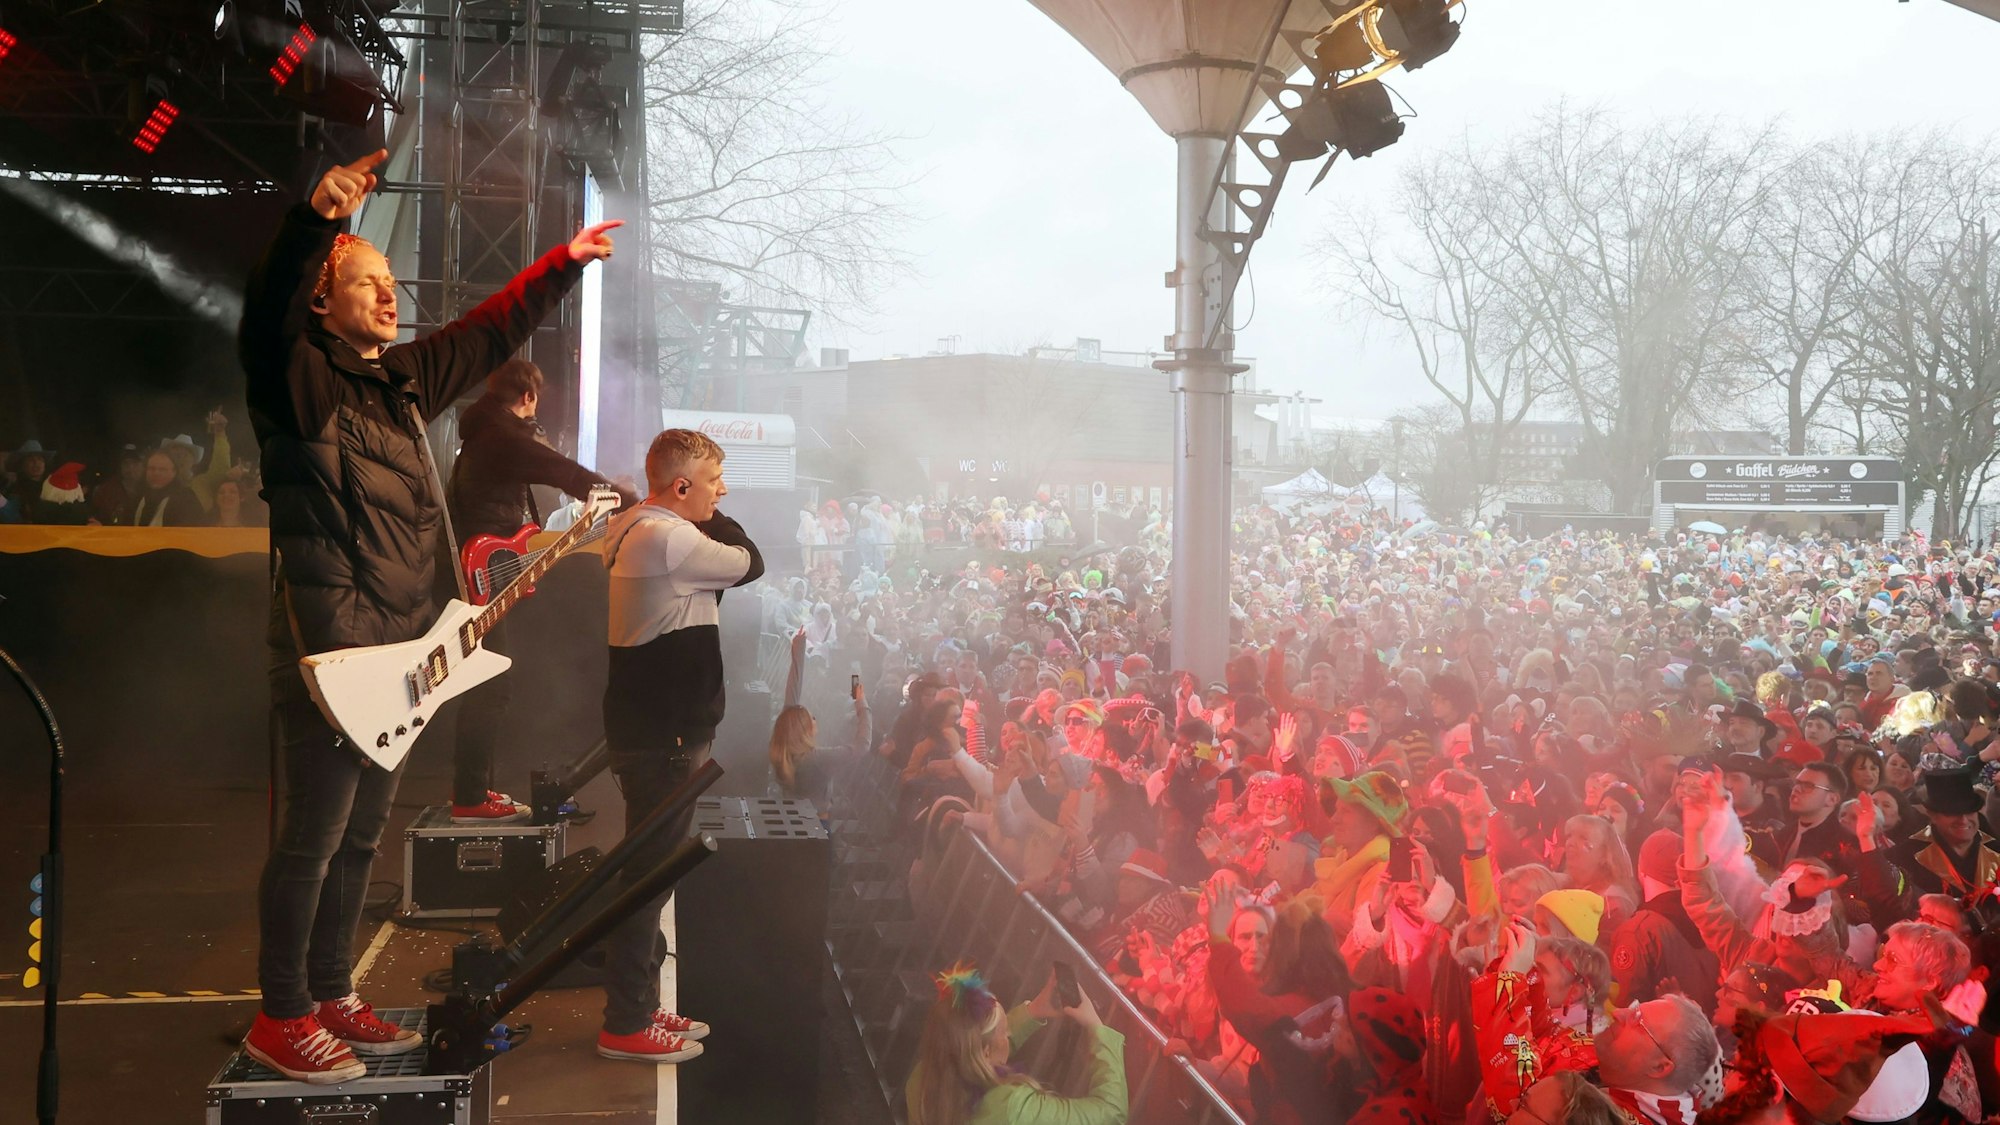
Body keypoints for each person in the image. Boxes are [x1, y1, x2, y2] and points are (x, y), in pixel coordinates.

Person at [239, 148, 617, 1082]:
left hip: (405, 648)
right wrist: (316, 223)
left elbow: (487, 335)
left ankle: (332, 990)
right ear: (323, 302)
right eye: (366, 282)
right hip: (336, 652)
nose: (389, 294)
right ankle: (281, 1011)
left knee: (365, 834)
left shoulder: (400, 383)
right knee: (314, 840)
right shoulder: (299, 383)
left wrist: (558, 266)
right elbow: (268, 315)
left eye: (392, 282)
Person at [597, 426, 763, 1063]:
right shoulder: (669, 537)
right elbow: (752, 559)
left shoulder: (642, 527)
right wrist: (717, 514)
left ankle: (639, 1005)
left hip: (657, 729)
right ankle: (625, 1023)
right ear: (683, 485)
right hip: (665, 734)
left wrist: (707, 506)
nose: (722, 494)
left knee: (653, 876)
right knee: (648, 878)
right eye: (714, 482)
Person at [444, 358, 633, 824]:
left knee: (488, 682)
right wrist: (626, 499)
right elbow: (562, 471)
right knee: (491, 687)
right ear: (528, 397)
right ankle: (469, 798)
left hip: (486, 564)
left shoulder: (483, 432)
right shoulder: (503, 436)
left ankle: (474, 791)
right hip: (483, 573)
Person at [905, 963, 1128, 1125]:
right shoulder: (1013, 1108)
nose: (1009, 1032)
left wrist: (1033, 1011)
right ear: (984, 1053)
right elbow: (1110, 1112)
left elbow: (977, 1047)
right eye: (1004, 1030)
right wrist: (1097, 1028)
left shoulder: (921, 1077)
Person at [126, 449, 205, 527]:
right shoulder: (138, 497)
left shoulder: (186, 500)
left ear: (174, 472)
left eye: (163, 469)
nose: (156, 473)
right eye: (152, 468)